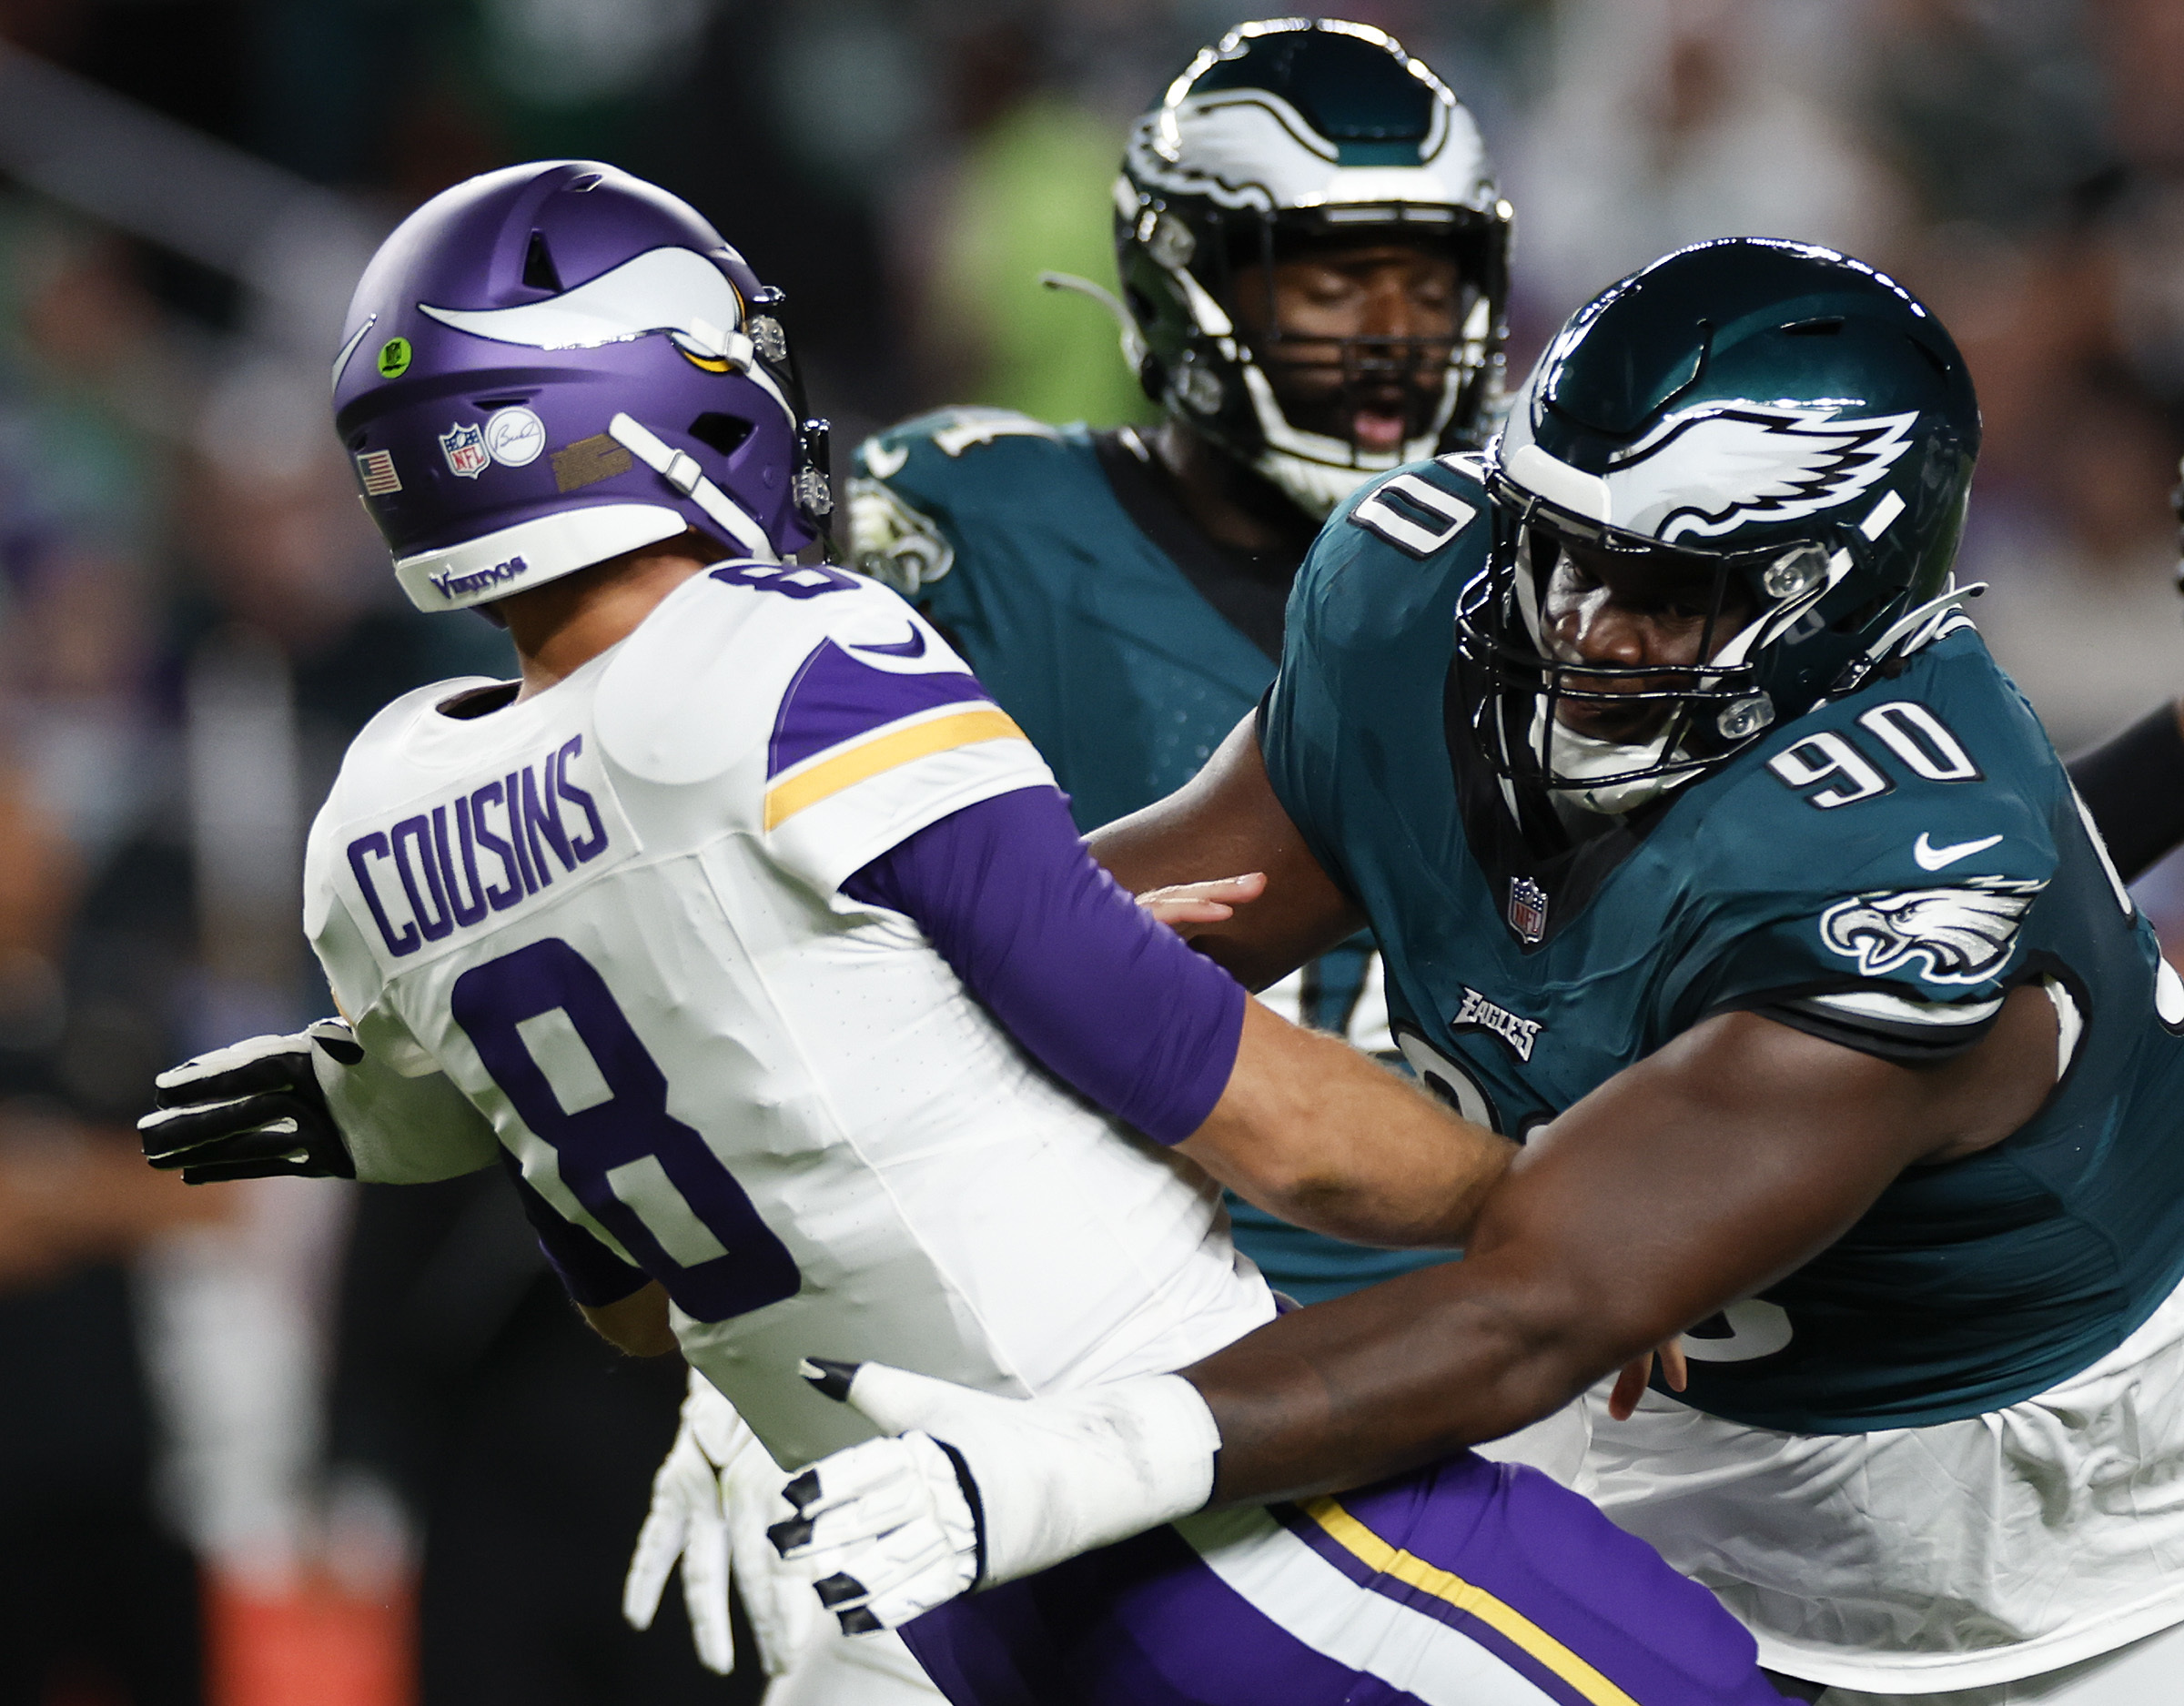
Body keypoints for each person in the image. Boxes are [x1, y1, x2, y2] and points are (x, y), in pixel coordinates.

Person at [136, 164, 1794, 1706]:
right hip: (1203, 1500)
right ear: (642, 390)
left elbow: (638, 1302)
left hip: (935, 1597)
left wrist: (933, 1010)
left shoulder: (376, 822)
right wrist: (1552, 1230)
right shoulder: (781, 658)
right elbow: (1253, 1111)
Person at [765, 239, 2184, 1706]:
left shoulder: (1909, 863)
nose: (1577, 626)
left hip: (2044, 1503)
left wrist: (1078, 1462)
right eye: (1558, 547)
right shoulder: (1416, 594)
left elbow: (1532, 1306)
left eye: (1661, 588)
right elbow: (1152, 920)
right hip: (1644, 1424)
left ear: (1829, 593)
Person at [848, 15, 1512, 1307]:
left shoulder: (1541, 574)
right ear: (1184, 277)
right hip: (1090, 1286)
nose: (1397, 335)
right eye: (1335, 282)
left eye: (1430, 288)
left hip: (1459, 1303)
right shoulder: (982, 525)